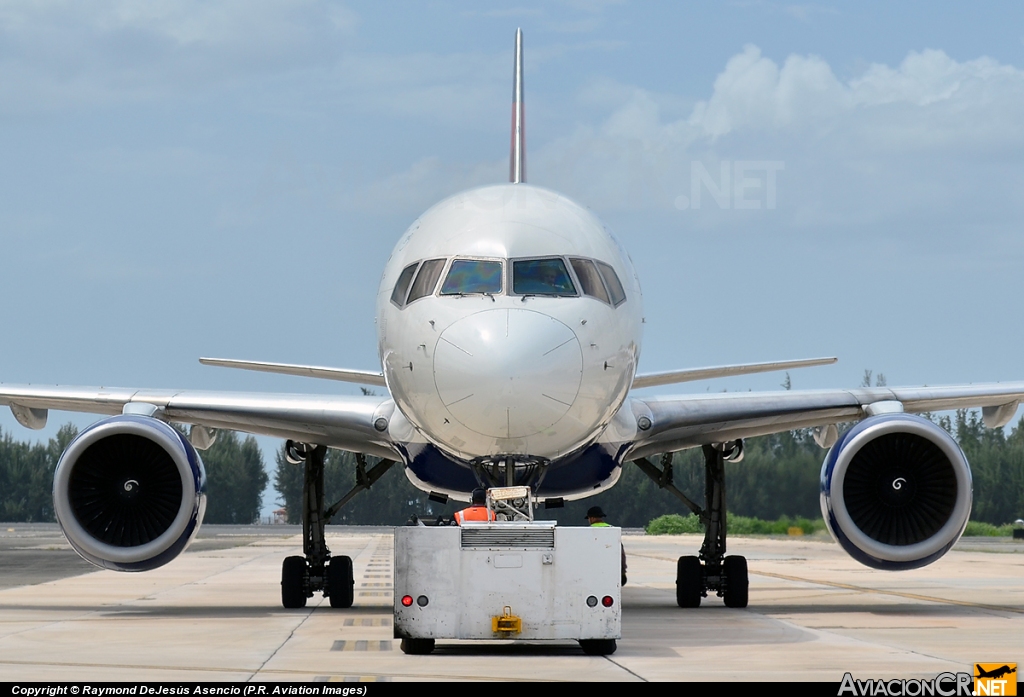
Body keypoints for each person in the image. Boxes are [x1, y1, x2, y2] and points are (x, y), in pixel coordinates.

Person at [586, 506, 627, 586]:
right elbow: (621, 554)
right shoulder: (613, 530)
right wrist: (622, 572)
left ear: (592, 518)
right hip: (611, 571)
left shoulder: (587, 531)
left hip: (593, 573)